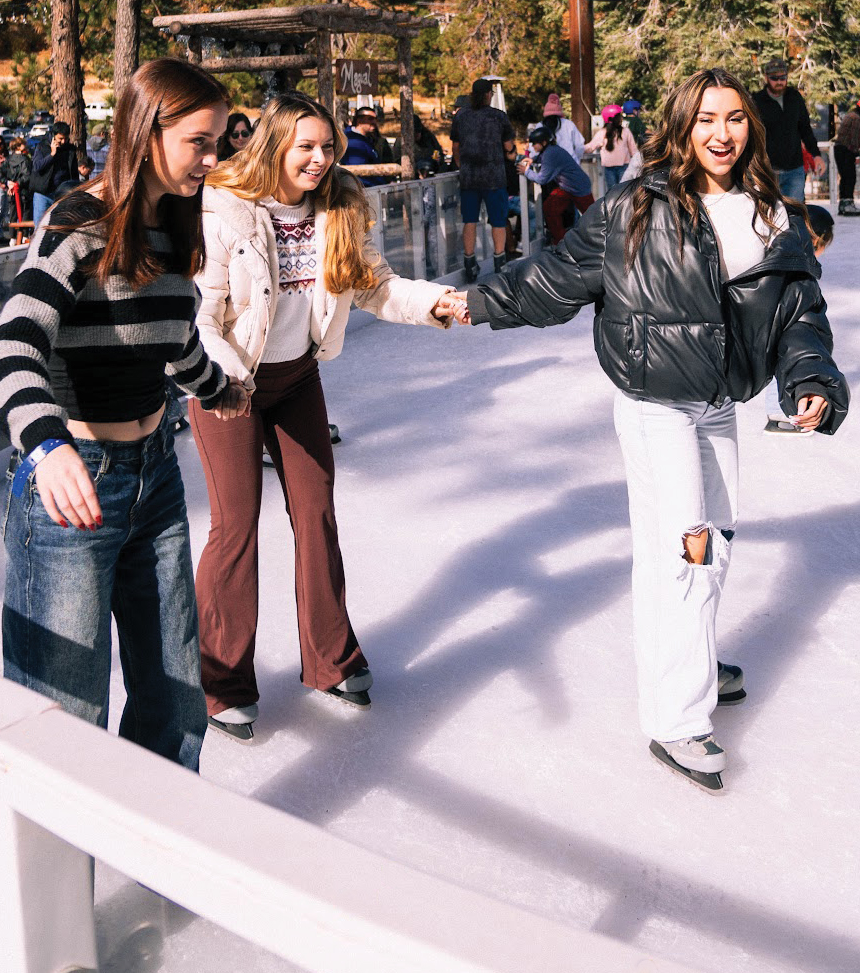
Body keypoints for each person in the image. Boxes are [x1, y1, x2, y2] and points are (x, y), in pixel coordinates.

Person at [465, 68, 846, 792]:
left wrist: (813, 382)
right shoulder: (636, 206)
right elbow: (551, 282)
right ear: (682, 125)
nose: (722, 133)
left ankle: (692, 659)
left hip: (718, 405)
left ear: (751, 128)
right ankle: (676, 719)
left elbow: (801, 318)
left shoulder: (770, 212)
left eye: (735, 119)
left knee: (715, 548)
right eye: (707, 118)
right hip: (653, 405)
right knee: (685, 551)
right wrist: (470, 303)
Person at [0, 57, 250, 773]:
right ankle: (52, 880)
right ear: (147, 131)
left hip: (154, 480)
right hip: (74, 491)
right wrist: (46, 446)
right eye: (200, 140)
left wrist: (215, 388)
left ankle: (158, 864)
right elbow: (12, 348)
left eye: (219, 140)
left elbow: (171, 338)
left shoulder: (169, 226)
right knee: (63, 714)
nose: (212, 157)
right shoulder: (80, 220)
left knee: (173, 703)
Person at [190, 92, 468, 742]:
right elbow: (198, 315)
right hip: (228, 381)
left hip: (294, 379)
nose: (319, 159)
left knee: (315, 510)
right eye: (306, 146)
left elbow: (373, 285)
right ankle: (221, 680)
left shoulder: (341, 206)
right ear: (275, 145)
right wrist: (223, 377)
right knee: (236, 527)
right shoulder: (226, 210)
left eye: (327, 146)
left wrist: (438, 302)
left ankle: (330, 657)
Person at [764, 205, 835, 431]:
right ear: (815, 239)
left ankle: (783, 405)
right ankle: (782, 408)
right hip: (776, 324)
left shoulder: (789, 251)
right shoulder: (798, 263)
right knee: (783, 351)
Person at [450, 77, 515, 281]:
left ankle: (470, 264)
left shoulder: (461, 116)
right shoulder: (498, 117)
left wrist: (462, 166)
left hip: (469, 178)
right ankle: (499, 262)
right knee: (497, 220)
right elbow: (508, 146)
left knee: (469, 221)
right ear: (489, 94)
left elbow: (455, 148)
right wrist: (512, 153)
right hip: (494, 176)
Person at [750, 57, 824, 201]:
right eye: (774, 78)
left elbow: (805, 130)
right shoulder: (757, 101)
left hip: (794, 170)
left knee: (795, 213)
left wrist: (816, 155)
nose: (779, 81)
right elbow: (750, 135)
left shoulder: (795, 98)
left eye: (783, 77)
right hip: (768, 171)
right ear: (766, 78)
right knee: (769, 214)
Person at [525, 122, 595, 245]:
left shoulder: (551, 153)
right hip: (568, 188)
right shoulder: (551, 150)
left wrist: (526, 171)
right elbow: (542, 157)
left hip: (579, 188)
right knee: (550, 208)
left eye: (535, 143)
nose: (533, 146)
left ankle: (600, 241)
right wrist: (533, 160)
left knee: (593, 217)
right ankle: (561, 241)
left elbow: (542, 179)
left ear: (544, 142)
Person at [833, 97, 860, 217]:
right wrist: (856, 154)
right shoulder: (856, 119)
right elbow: (853, 138)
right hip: (846, 150)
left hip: (839, 149)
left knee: (844, 177)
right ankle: (848, 204)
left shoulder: (850, 115)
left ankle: (843, 203)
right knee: (850, 177)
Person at [30, 123, 79, 225]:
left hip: (61, 194)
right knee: (40, 226)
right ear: (53, 135)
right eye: (60, 138)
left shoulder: (70, 150)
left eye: (66, 138)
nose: (63, 141)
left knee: (60, 226)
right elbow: (37, 167)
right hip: (43, 194)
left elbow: (73, 173)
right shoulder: (42, 146)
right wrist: (52, 154)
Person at [584, 104, 639, 191]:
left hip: (624, 167)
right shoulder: (602, 133)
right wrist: (577, 148)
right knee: (612, 193)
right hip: (609, 170)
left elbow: (633, 150)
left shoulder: (626, 131)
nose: (621, 118)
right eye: (618, 116)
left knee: (624, 192)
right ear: (612, 118)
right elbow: (591, 146)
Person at [1, 138, 34, 237]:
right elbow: (27, 175)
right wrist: (17, 183)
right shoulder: (25, 160)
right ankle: (23, 235)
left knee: (13, 215)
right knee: (26, 214)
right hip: (24, 191)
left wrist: (8, 183)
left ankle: (12, 237)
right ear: (19, 146)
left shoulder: (8, 160)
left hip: (12, 192)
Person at [541, 93, 587, 162]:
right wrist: (577, 159)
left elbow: (533, 149)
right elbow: (579, 146)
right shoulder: (569, 124)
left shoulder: (540, 126)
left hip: (547, 165)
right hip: (569, 164)